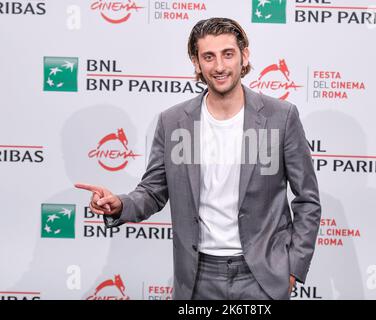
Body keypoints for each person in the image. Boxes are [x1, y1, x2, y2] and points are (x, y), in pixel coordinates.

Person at [75, 17, 321, 300]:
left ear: (244, 56)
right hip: (197, 279)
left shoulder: (281, 117)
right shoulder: (174, 122)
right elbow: (153, 192)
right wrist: (119, 204)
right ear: (196, 63)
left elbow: (307, 200)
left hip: (264, 277)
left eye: (228, 54)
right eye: (208, 57)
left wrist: (292, 269)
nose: (219, 66)